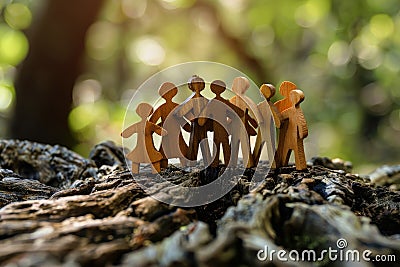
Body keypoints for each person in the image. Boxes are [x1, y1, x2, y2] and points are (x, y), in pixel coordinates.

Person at [121, 103, 166, 174]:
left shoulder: (146, 125)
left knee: (149, 158)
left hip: (147, 148)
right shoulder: (142, 125)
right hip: (142, 148)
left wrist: (162, 131)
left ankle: (153, 172)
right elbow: (127, 133)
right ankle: (137, 172)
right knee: (150, 158)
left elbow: (160, 131)